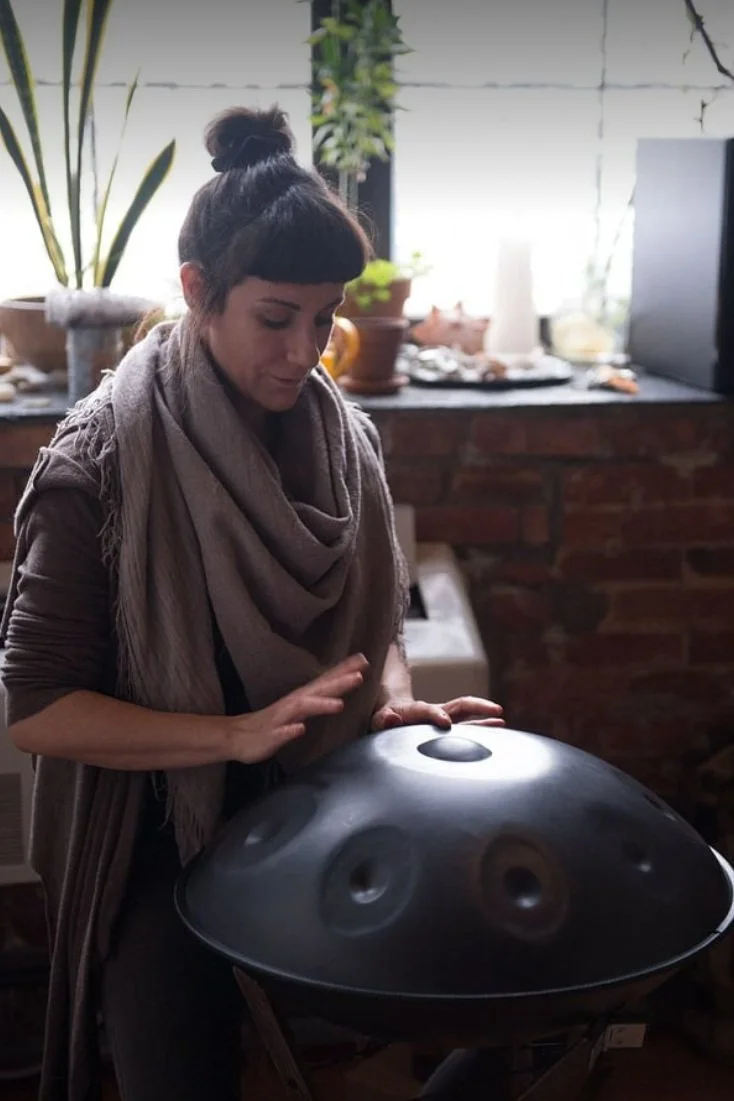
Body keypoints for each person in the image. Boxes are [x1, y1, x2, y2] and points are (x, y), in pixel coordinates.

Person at [0, 105, 504, 1101]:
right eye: (276, 319)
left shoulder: (343, 440)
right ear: (198, 291)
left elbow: (372, 621)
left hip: (317, 794)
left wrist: (388, 702)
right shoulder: (97, 463)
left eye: (324, 318)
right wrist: (231, 736)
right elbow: (40, 710)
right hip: (155, 828)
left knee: (475, 995)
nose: (304, 351)